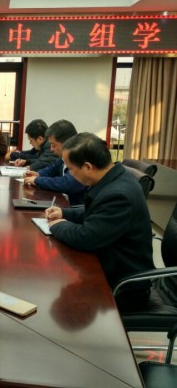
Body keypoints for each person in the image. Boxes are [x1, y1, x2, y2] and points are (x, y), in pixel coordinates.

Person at [46, 133, 154, 310]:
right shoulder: (113, 178)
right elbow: (98, 212)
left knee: (54, 282)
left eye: (71, 169)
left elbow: (86, 237)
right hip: (108, 264)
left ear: (88, 167)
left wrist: (58, 226)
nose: (70, 174)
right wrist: (64, 213)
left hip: (123, 286)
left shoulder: (118, 195)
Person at [23, 119, 86, 206]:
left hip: (77, 208)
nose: (51, 149)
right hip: (63, 205)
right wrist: (38, 174)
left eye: (53, 145)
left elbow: (67, 183)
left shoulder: (80, 158)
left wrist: (37, 180)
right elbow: (52, 169)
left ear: (67, 143)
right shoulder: (63, 158)